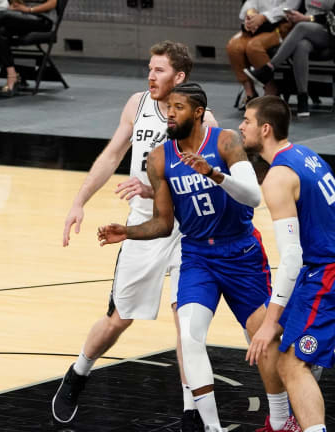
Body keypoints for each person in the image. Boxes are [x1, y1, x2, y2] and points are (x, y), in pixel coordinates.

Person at [96, 83, 299, 432]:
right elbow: (163, 223)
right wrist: (127, 232)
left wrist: (213, 174)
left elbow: (252, 198)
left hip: (240, 253)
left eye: (178, 107)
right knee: (190, 338)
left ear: (198, 112)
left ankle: (281, 421)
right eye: (168, 108)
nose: (170, 114)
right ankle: (211, 427)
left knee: (263, 337)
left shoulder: (225, 142)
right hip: (197, 255)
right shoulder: (159, 158)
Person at [50, 41, 216, 431]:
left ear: (179, 77)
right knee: (118, 319)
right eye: (149, 68)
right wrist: (79, 201)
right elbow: (111, 155)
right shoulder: (137, 104)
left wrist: (156, 189)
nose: (150, 76)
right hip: (144, 229)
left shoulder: (202, 118)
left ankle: (191, 412)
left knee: (187, 325)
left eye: (159, 70)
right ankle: (79, 371)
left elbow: (206, 178)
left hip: (185, 231)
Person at [243, 95, 335, 432]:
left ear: (265, 129)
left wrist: (273, 323)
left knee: (292, 364)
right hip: (319, 268)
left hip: (326, 273)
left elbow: (292, 258)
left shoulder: (278, 177)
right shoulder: (305, 154)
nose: (241, 126)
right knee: (259, 326)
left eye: (247, 121)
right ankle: (282, 421)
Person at [243, 0, 335, 117]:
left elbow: (330, 18)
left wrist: (307, 18)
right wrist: (293, 16)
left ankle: (269, 67)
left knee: (301, 27)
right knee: (301, 46)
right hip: (307, 30)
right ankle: (303, 99)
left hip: (328, 32)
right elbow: (300, 9)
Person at [226, 0, 291, 103]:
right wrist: (250, 15)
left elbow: (291, 7)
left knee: (254, 47)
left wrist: (263, 17)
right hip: (256, 26)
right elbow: (250, 3)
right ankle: (250, 92)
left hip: (280, 26)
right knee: (234, 47)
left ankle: (271, 89)